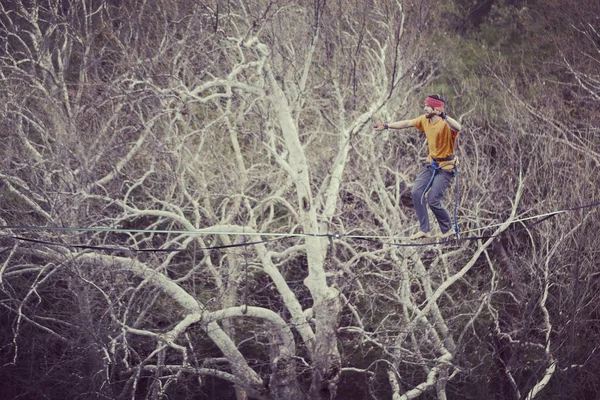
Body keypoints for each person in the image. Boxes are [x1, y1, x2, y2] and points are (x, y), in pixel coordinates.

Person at [373, 94, 462, 240]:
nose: (424, 108)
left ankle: (448, 229)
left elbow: (458, 127)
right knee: (416, 193)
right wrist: (386, 126)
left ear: (436, 109)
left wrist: (445, 116)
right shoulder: (424, 120)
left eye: (427, 106)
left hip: (446, 167)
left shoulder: (446, 124)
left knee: (433, 200)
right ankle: (424, 230)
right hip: (431, 164)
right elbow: (407, 123)